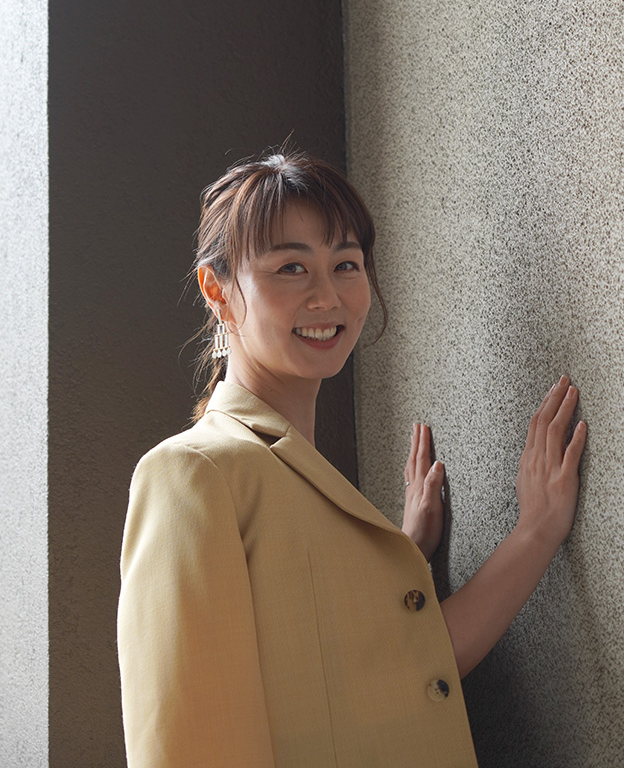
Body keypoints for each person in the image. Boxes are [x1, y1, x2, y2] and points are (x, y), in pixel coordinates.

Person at [117, 149, 587, 767]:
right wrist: (536, 530)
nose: (326, 296)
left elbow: (407, 677)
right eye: (290, 268)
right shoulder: (193, 474)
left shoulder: (295, 478)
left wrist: (399, 562)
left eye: (345, 264)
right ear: (218, 290)